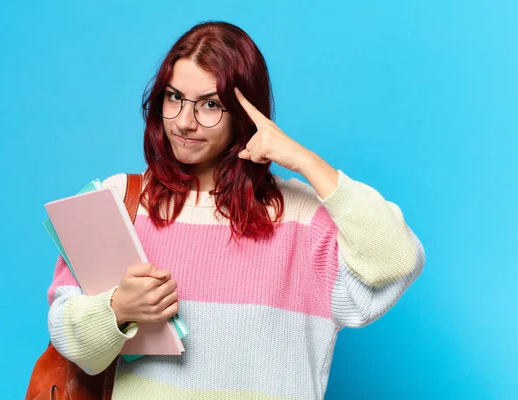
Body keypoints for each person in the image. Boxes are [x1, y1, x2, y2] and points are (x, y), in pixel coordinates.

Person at [47, 20, 425, 400]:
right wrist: (118, 308)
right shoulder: (120, 201)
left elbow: (396, 261)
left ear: (244, 114)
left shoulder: (301, 220)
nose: (184, 121)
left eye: (210, 105)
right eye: (174, 97)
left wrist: (306, 161)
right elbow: (66, 335)